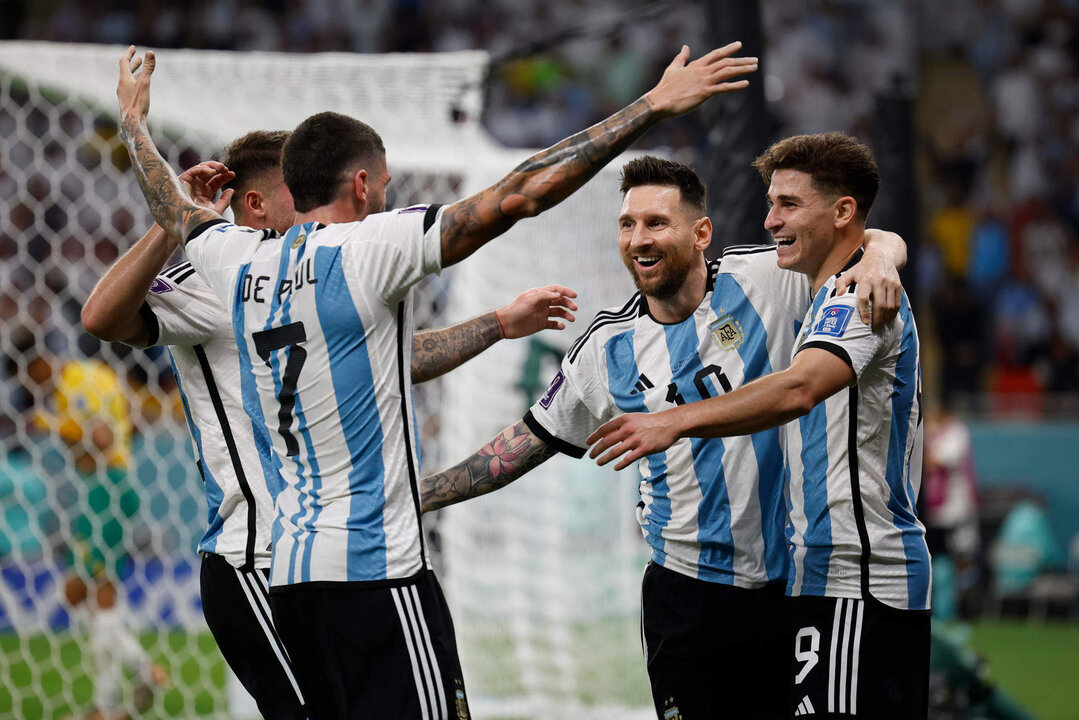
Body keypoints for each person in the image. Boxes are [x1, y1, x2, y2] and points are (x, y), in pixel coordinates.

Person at [114, 40, 760, 717]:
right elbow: (519, 194)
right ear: (361, 185)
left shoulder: (236, 261)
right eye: (384, 184)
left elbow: (174, 208)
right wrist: (650, 107)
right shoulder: (370, 247)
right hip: (375, 569)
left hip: (294, 578)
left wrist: (134, 124)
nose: (386, 196)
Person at [81, 128, 578, 719]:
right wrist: (172, 224)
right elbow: (102, 316)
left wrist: (498, 322)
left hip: (317, 555)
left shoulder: (311, 272)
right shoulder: (216, 276)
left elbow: (396, 358)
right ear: (256, 205)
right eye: (295, 189)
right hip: (255, 557)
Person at [416, 155, 906, 719]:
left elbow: (849, 238)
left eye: (656, 223)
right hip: (684, 595)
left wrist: (886, 253)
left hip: (789, 587)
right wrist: (424, 492)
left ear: (702, 234)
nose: (638, 239)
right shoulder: (607, 348)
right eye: (627, 224)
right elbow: (527, 440)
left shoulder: (767, 281)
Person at [588, 133, 930, 719]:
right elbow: (878, 240)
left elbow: (799, 388)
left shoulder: (858, 298)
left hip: (858, 576)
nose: (770, 221)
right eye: (770, 203)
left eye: (787, 205)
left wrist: (673, 422)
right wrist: (882, 248)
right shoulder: (827, 294)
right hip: (820, 576)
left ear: (842, 211)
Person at [34, 358, 168, 720]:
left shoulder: (74, 383)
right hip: (107, 486)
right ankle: (126, 684)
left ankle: (114, 698)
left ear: (38, 367)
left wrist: (55, 426)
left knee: (100, 594)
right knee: (79, 592)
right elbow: (130, 420)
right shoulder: (103, 375)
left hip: (105, 488)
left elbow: (101, 438)